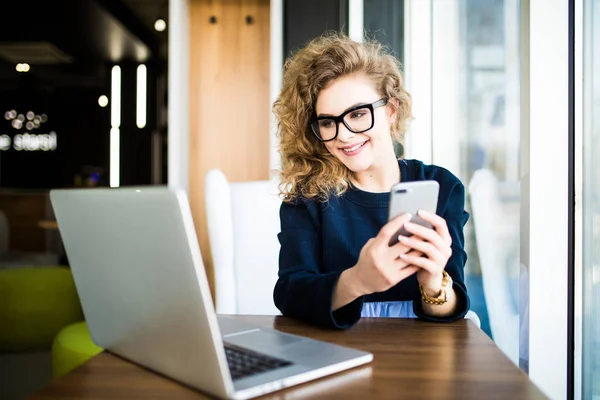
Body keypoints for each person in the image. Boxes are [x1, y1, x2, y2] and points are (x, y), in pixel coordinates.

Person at [272, 32, 470, 329]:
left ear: (391, 111)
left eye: (358, 114)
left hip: (421, 354)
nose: (344, 134)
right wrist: (357, 281)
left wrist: (432, 283)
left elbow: (455, 305)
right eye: (327, 122)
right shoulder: (308, 197)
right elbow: (289, 294)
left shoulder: (442, 186)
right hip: (336, 352)